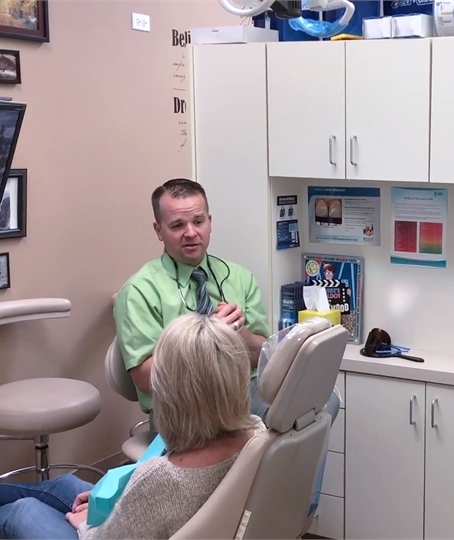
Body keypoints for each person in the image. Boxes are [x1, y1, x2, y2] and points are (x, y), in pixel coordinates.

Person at [113, 178, 341, 515]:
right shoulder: (140, 291)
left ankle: (292, 514)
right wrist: (203, 338)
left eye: (198, 221)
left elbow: (265, 354)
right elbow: (146, 379)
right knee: (270, 433)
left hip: (241, 391)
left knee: (317, 404)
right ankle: (253, 517)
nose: (190, 232)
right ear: (159, 230)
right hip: (182, 409)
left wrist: (242, 334)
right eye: (177, 225)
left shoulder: (237, 277)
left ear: (210, 221)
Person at [0, 313, 265, 539]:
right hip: (167, 520)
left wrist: (85, 526)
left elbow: (108, 535)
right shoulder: (256, 432)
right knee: (65, 486)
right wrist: (116, 499)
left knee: (23, 512)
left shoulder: (163, 478)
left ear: (173, 393)